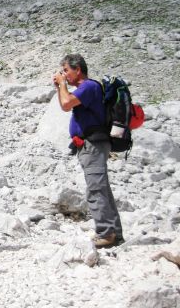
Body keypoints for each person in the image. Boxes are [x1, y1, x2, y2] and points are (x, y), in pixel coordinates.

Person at [52, 54, 123, 248]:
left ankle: (106, 233)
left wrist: (62, 84)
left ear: (78, 70)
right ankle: (114, 232)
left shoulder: (89, 86)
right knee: (103, 189)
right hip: (89, 144)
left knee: (95, 189)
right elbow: (66, 105)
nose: (64, 74)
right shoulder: (83, 89)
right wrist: (60, 86)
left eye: (66, 70)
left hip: (92, 144)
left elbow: (66, 104)